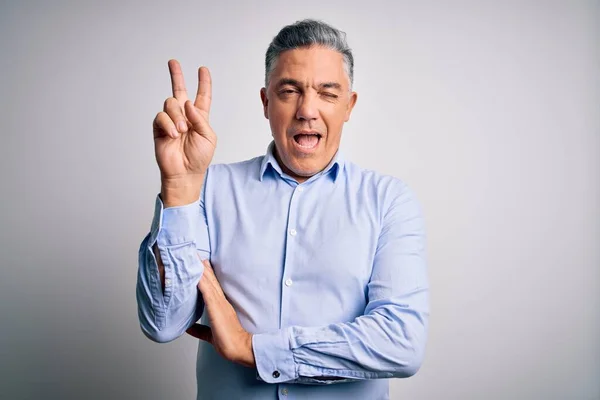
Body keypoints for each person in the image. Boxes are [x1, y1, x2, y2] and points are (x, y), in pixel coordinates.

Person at [136, 19, 429, 400]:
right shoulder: (206, 189)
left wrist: (251, 349)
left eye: (327, 93)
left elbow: (401, 342)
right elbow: (163, 322)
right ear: (265, 102)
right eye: (289, 91)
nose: (307, 110)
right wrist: (178, 188)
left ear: (349, 106)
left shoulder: (389, 201)